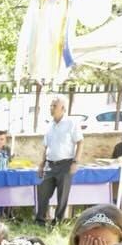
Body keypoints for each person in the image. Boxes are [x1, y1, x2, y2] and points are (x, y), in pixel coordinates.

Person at [35, 97, 84, 226]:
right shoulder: (49, 125)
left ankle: (57, 223)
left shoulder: (71, 123)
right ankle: (40, 220)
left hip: (65, 164)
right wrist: (41, 164)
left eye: (54, 106)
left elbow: (80, 142)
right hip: (50, 164)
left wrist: (76, 162)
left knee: (62, 196)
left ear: (63, 108)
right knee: (43, 191)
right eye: (51, 105)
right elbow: (45, 147)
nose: (51, 108)